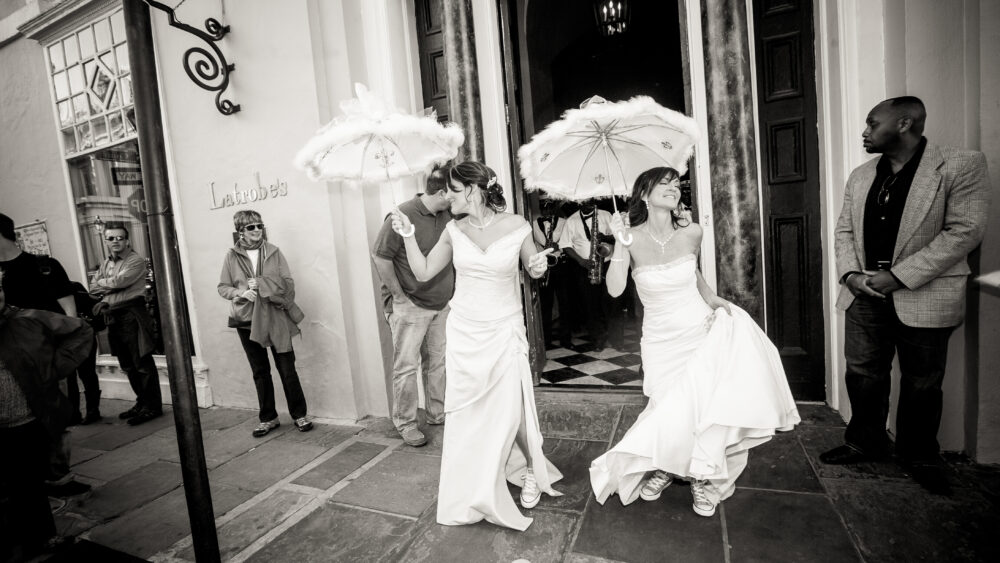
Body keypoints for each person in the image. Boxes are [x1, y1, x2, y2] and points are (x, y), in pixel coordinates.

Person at [589, 166, 800, 517]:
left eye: (676, 183)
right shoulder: (631, 239)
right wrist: (620, 243)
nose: (673, 187)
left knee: (701, 409)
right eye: (664, 183)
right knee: (669, 409)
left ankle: (703, 477)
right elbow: (614, 289)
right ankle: (669, 466)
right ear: (644, 194)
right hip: (659, 339)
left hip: (698, 330)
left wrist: (713, 298)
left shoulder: (693, 233)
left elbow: (692, 272)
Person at [820, 96, 991, 494]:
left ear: (904, 123)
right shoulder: (861, 175)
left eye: (871, 123)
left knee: (922, 382)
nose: (864, 131)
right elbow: (844, 230)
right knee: (862, 373)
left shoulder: (961, 164)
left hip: (925, 293)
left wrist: (897, 277)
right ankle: (864, 441)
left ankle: (918, 455)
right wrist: (849, 275)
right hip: (863, 294)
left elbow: (965, 231)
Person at [391, 161, 563, 530]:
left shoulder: (516, 225)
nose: (447, 197)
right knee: (468, 411)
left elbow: (534, 269)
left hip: (503, 328)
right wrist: (407, 235)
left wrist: (536, 267)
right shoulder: (454, 230)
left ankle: (532, 468)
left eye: (453, 190)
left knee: (511, 405)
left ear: (472, 190)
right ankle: (473, 480)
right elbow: (423, 272)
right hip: (466, 332)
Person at [0, 270, 94, 561]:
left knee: (29, 484)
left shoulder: (26, 319)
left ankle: (41, 538)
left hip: (27, 423)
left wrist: (54, 368)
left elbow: (80, 331)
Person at [0, 212, 92, 497]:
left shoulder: (44, 266)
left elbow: (71, 315)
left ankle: (59, 478)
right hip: (9, 364)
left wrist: (59, 364)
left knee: (58, 421)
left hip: (44, 360)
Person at [372, 168, 454, 447]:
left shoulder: (448, 215)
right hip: (409, 305)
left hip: (440, 304)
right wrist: (398, 296)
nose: (458, 194)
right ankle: (406, 423)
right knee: (406, 367)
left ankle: (436, 413)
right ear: (442, 192)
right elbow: (381, 257)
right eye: (454, 189)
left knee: (437, 363)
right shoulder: (402, 214)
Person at [218, 210, 313, 437]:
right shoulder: (232, 255)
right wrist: (241, 293)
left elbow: (288, 284)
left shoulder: (273, 252)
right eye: (251, 227)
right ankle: (268, 418)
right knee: (260, 371)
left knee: (287, 368)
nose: (257, 230)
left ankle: (299, 414)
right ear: (240, 231)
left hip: (275, 317)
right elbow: (223, 287)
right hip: (246, 319)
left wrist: (262, 284)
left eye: (259, 225)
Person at [90, 222, 163, 426]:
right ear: (105, 240)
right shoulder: (106, 263)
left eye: (119, 238)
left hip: (133, 314)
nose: (116, 241)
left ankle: (153, 407)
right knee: (128, 365)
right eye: (111, 238)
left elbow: (118, 283)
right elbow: (92, 288)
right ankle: (142, 402)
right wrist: (108, 285)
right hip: (114, 316)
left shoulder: (135, 260)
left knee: (142, 363)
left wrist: (106, 285)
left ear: (127, 239)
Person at [558, 200, 623, 351]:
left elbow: (618, 236)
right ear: (578, 203)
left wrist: (604, 238)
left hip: (607, 264)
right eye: (583, 202)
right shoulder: (571, 220)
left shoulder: (605, 215)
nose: (588, 204)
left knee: (613, 302)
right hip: (585, 266)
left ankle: (617, 340)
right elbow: (565, 245)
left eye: (590, 202)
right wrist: (581, 261)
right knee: (590, 304)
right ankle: (598, 338)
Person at [532, 200, 572, 350]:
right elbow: (534, 244)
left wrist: (558, 246)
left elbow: (568, 241)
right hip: (546, 266)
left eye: (549, 207)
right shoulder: (534, 224)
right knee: (545, 304)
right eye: (543, 207)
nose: (546, 211)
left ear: (554, 208)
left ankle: (566, 339)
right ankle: (546, 340)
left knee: (565, 303)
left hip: (561, 265)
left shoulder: (564, 222)